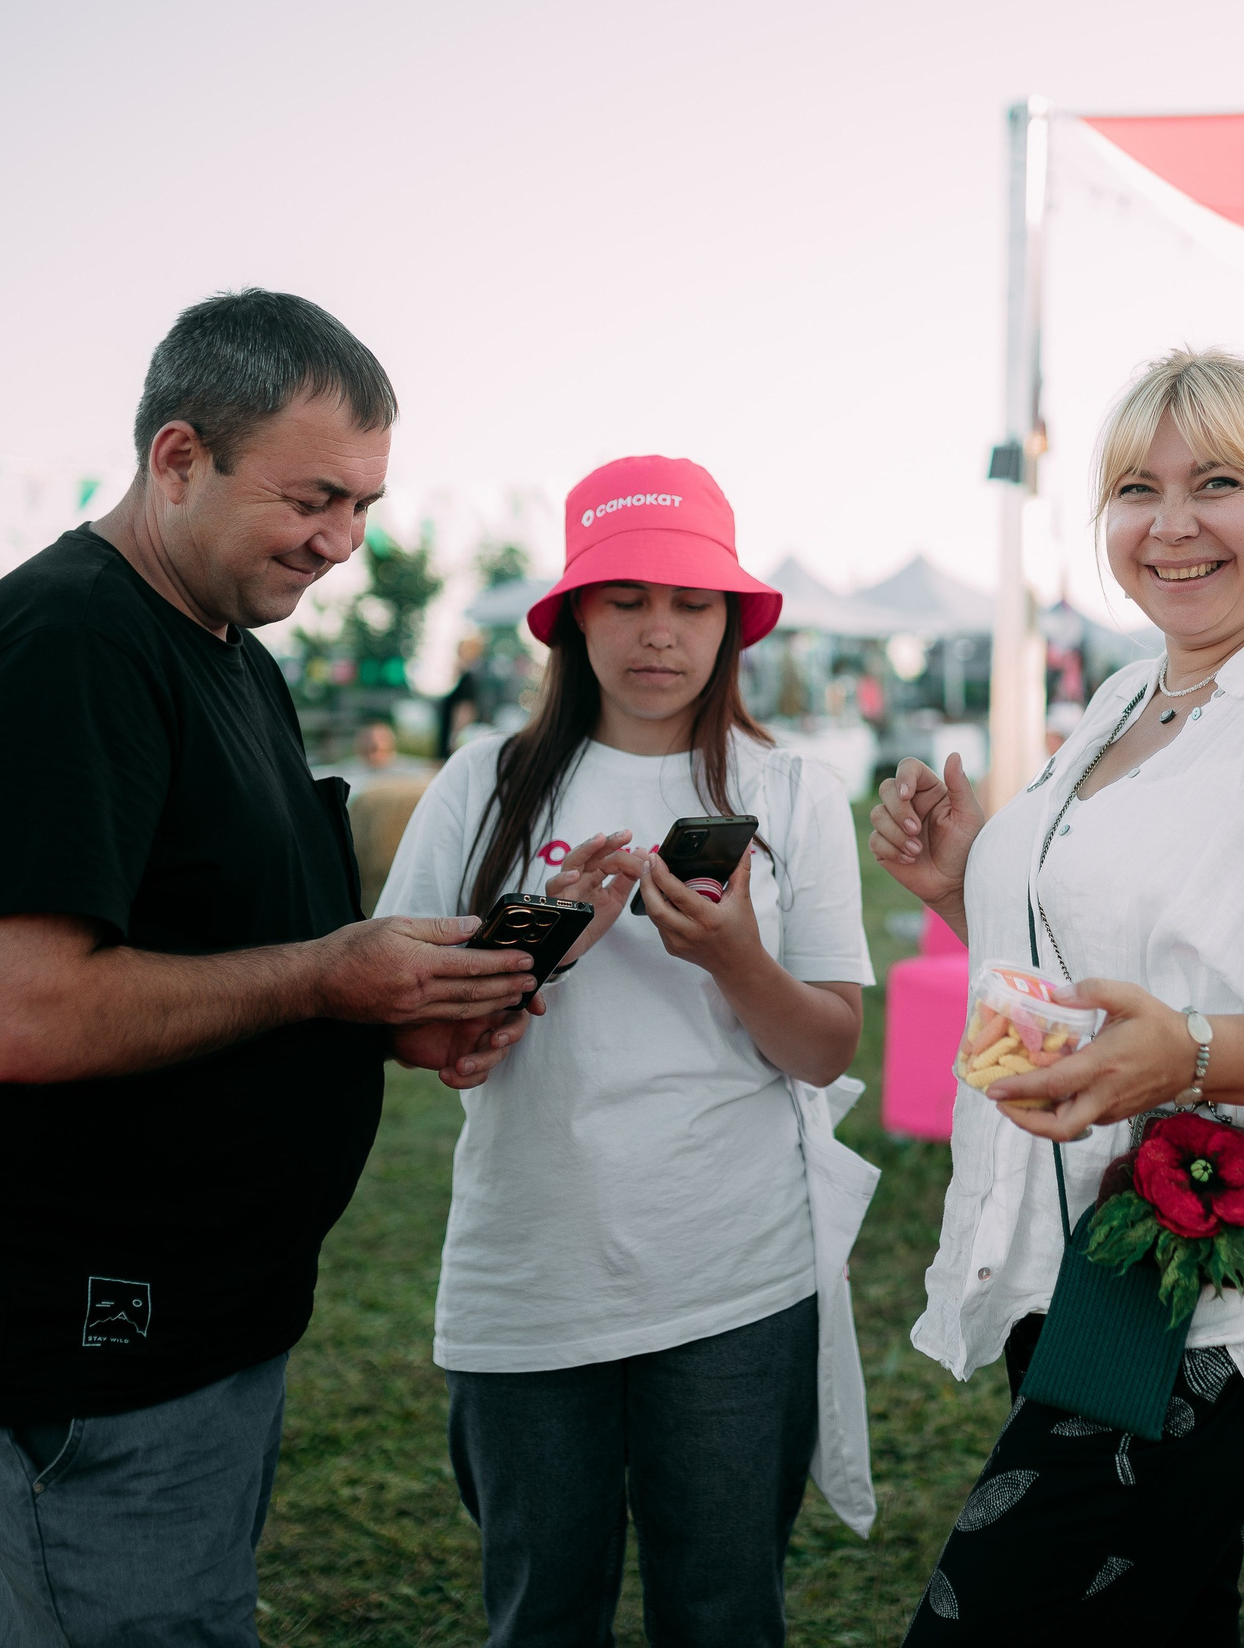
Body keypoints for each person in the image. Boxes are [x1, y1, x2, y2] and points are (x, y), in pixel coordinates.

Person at [0, 290, 543, 1648]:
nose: (341, 543)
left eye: (364, 505)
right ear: (178, 459)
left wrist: (394, 1014)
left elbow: (233, 942)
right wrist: (325, 982)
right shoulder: (69, 648)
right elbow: (21, 1013)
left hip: (195, 1327)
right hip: (86, 1349)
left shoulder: (228, 644)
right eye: (313, 498)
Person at [872, 350, 1244, 1641]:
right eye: (1136, 487)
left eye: (1219, 483)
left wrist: (1186, 1058)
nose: (1172, 522)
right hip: (1076, 1264)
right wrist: (963, 877)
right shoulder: (1128, 701)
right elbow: (1122, 952)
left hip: (1204, 1299)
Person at [375, 454, 875, 1648]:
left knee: (722, 1611)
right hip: (530, 1263)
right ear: (572, 616)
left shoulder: (791, 791)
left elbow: (823, 1048)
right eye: (626, 598)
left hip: (735, 1274)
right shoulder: (486, 785)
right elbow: (409, 1025)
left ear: (732, 621)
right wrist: (544, 952)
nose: (660, 632)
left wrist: (734, 957)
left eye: (691, 603)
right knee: (542, 1613)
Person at [439, 633, 489, 755]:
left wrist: (454, 740)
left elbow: (465, 710)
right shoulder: (472, 678)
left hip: (456, 744)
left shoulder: (468, 679)